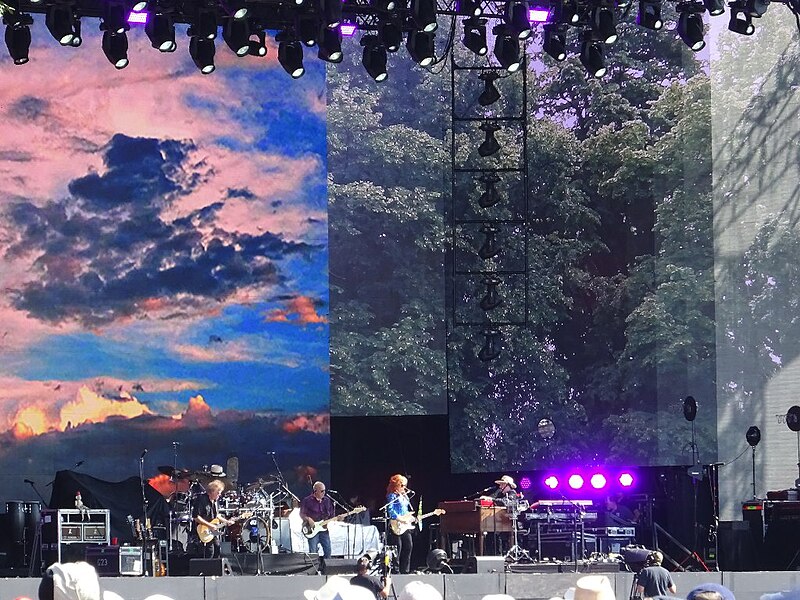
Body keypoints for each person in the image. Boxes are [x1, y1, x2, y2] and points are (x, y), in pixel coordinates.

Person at [190, 479, 234, 558]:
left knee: (217, 548)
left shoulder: (215, 501)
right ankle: (207, 569)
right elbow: (196, 517)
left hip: (212, 531)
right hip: (202, 530)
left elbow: (217, 516)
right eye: (218, 492)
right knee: (210, 551)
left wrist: (227, 521)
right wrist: (209, 525)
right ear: (212, 491)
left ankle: (215, 569)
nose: (219, 494)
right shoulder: (201, 500)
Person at [386, 474, 415, 574]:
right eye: (402, 485)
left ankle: (405, 570)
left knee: (409, 545)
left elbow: (405, 510)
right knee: (398, 547)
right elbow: (390, 510)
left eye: (405, 485)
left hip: (405, 524)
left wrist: (409, 517)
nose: (404, 487)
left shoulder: (405, 496)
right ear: (396, 485)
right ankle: (396, 570)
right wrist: (399, 519)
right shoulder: (392, 496)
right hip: (396, 523)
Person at [300, 481, 335, 558]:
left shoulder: (327, 500)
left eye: (324, 491)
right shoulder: (307, 500)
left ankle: (326, 567)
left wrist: (333, 519)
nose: (324, 493)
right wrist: (308, 519)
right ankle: (314, 568)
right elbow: (302, 514)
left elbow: (331, 514)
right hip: (312, 529)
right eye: (322, 491)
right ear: (315, 491)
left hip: (323, 529)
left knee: (328, 550)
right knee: (313, 552)